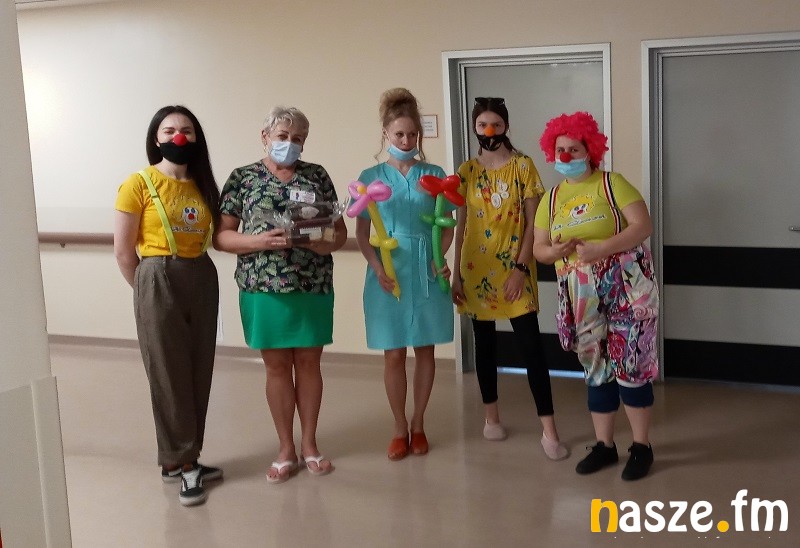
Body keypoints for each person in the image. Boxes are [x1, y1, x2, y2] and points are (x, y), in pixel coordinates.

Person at [215, 106, 347, 483]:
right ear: (265, 137)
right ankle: (285, 447)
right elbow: (222, 237)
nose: (290, 144)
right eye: (283, 136)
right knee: (276, 367)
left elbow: (338, 232)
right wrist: (259, 241)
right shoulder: (242, 178)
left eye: (298, 138)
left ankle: (310, 444)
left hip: (312, 284)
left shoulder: (316, 175)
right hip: (263, 287)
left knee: (309, 364)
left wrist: (322, 242)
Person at [533, 111, 659, 480]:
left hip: (625, 288)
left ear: (590, 150)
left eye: (574, 148)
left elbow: (643, 225)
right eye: (560, 149)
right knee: (596, 367)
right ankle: (605, 446)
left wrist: (602, 248)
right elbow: (539, 248)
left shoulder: (611, 183)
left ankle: (641, 447)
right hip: (580, 293)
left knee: (630, 365)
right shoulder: (551, 198)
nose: (566, 156)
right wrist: (554, 252)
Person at [114, 105, 223, 507]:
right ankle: (186, 463)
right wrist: (148, 292)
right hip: (158, 274)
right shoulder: (138, 183)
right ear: (156, 138)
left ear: (196, 138)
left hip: (201, 275)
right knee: (168, 371)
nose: (179, 136)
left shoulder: (203, 185)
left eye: (187, 130)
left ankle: (179, 458)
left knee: (198, 368)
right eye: (170, 129)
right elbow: (124, 252)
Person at [451, 97, 568, 460]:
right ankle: (491, 418)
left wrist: (520, 268)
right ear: (474, 128)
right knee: (484, 345)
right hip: (475, 269)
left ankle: (549, 431)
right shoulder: (466, 171)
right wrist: (455, 274)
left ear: (506, 126)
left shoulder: (523, 166)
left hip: (515, 267)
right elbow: (461, 223)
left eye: (496, 125)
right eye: (482, 125)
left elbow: (535, 223)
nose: (489, 132)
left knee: (532, 348)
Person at [354, 88, 454, 461]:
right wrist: (377, 267)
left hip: (426, 270)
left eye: (413, 134)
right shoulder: (370, 177)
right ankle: (399, 427)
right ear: (386, 133)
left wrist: (439, 258)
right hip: (388, 271)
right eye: (399, 134)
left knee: (425, 348)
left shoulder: (434, 174)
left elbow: (447, 225)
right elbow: (362, 233)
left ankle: (419, 423)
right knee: (393, 353)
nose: (407, 140)